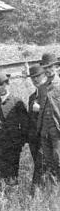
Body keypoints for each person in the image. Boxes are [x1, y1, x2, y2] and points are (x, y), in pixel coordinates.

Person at [0, 74, 28, 185]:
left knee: (13, 175)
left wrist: (20, 142)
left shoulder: (16, 102)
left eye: (2, 85)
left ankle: (13, 197)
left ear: (7, 84)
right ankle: (3, 197)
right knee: (1, 175)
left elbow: (25, 124)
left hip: (13, 147)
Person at [37, 53, 60, 182]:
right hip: (45, 131)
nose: (48, 70)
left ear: (56, 67)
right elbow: (41, 109)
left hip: (57, 130)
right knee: (49, 162)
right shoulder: (42, 88)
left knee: (59, 160)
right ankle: (54, 195)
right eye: (45, 67)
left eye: (50, 67)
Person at [26, 65, 47, 190]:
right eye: (32, 77)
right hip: (34, 141)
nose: (35, 80)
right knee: (39, 167)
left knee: (42, 168)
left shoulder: (49, 93)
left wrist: (40, 110)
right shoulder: (32, 97)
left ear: (44, 75)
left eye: (37, 76)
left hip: (46, 139)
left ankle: (36, 194)